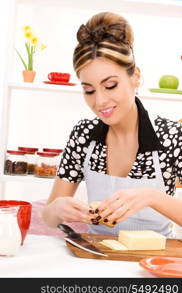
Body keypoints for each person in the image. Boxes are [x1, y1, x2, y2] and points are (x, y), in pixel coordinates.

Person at [42, 11, 182, 238]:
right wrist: (57, 209)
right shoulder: (84, 135)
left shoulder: (172, 136)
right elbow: (48, 216)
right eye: (89, 90)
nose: (99, 102)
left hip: (153, 263)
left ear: (135, 76)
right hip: (95, 257)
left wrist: (152, 197)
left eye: (110, 85)